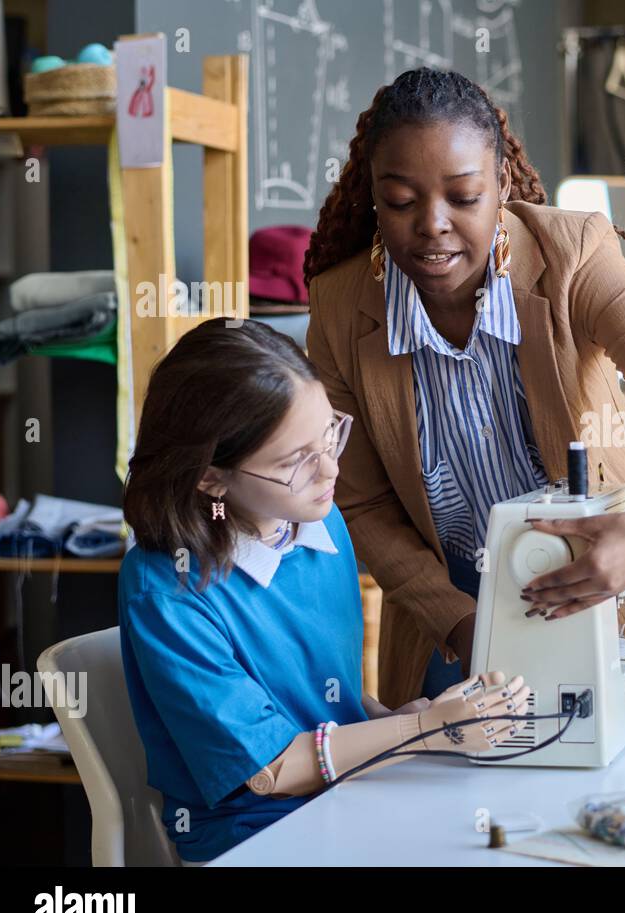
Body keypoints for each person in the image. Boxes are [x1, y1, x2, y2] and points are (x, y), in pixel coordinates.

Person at [304, 68, 625, 705]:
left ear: (502, 185)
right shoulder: (341, 309)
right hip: (448, 618)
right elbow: (364, 505)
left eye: (463, 196)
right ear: (374, 195)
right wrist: (468, 623)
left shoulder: (574, 257)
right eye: (401, 200)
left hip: (606, 578)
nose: (433, 224)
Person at [119, 320, 529, 863]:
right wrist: (423, 731)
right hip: (256, 835)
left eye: (329, 435)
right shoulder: (168, 589)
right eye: (295, 462)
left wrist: (416, 719)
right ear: (210, 479)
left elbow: (327, 695)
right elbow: (271, 772)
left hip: (348, 799)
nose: (331, 469)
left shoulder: (320, 524)